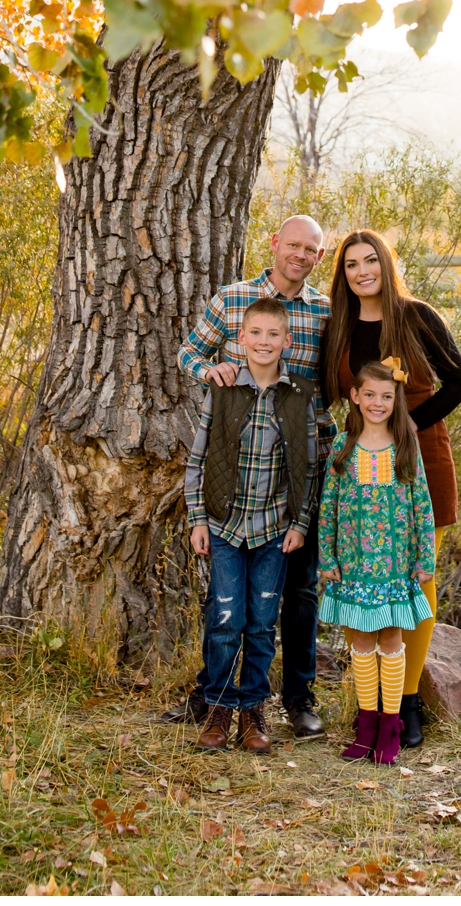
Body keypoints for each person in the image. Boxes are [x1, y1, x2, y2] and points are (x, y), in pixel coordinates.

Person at [176, 215, 332, 736]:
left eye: (311, 249)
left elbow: (342, 378)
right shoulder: (233, 299)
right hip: (234, 469)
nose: (301, 254)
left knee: (298, 592)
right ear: (275, 244)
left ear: (318, 257)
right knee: (226, 603)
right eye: (294, 244)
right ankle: (214, 698)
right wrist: (211, 373)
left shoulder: (323, 313)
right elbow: (190, 353)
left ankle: (287, 700)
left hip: (301, 466)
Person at [322, 228, 461, 748]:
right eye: (351, 265)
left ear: (386, 264)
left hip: (417, 455)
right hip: (360, 462)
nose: (362, 272)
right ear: (342, 275)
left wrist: (402, 425)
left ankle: (406, 703)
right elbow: (325, 392)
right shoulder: (337, 326)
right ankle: (371, 708)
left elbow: (460, 384)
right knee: (360, 571)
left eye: (371, 261)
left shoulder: (417, 316)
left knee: (416, 574)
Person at [317, 360, 438, 765]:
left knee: (391, 641)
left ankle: (391, 726)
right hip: (353, 565)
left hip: (395, 566)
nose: (377, 403)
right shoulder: (344, 446)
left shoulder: (405, 446)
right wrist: (327, 555)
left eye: (386, 396)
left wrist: (426, 558)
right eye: (369, 395)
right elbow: (328, 505)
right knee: (362, 643)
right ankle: (365, 725)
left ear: (396, 400)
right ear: (355, 397)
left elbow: (422, 504)